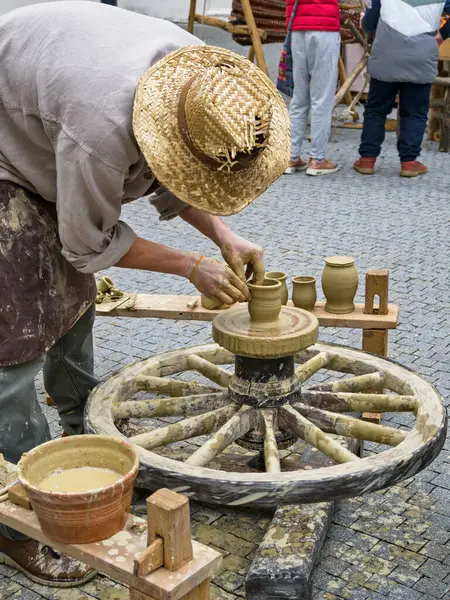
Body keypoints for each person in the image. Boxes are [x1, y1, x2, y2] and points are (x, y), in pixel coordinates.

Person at [0, 1, 290, 586]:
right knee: (17, 336)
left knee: (74, 297)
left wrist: (223, 233)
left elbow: (173, 171)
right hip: (8, 143)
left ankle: (90, 445)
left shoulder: (192, 81)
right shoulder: (99, 131)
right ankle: (21, 520)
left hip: (53, 100)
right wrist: (192, 266)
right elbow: (86, 242)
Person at [354, 0, 450, 177]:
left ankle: (367, 159)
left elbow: (370, 23)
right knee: (415, 112)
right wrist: (442, 36)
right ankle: (409, 162)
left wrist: (363, 22)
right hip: (421, 56)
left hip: (386, 55)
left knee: (376, 110)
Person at [284, 0, 341, 176]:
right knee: (322, 98)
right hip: (325, 25)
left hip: (297, 25)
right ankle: (317, 159)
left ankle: (290, 156)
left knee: (299, 98)